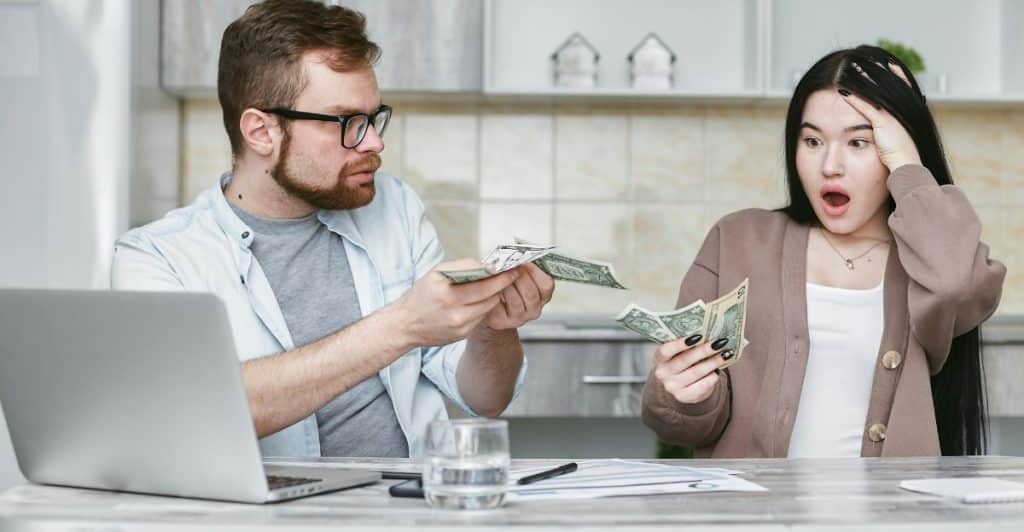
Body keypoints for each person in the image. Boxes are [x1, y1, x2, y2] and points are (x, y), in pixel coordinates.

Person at [111, 0, 554, 458]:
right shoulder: (157, 257)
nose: (375, 142)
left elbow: (487, 398)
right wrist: (403, 325)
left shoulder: (396, 207)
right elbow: (196, 409)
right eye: (347, 123)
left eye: (373, 118)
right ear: (261, 132)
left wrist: (493, 331)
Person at [642, 45, 1006, 457]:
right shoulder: (737, 240)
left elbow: (955, 284)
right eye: (812, 140)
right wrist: (685, 395)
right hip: (758, 520)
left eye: (859, 143)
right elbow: (684, 426)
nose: (830, 165)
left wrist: (907, 161)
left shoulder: (928, 257)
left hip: (892, 519)